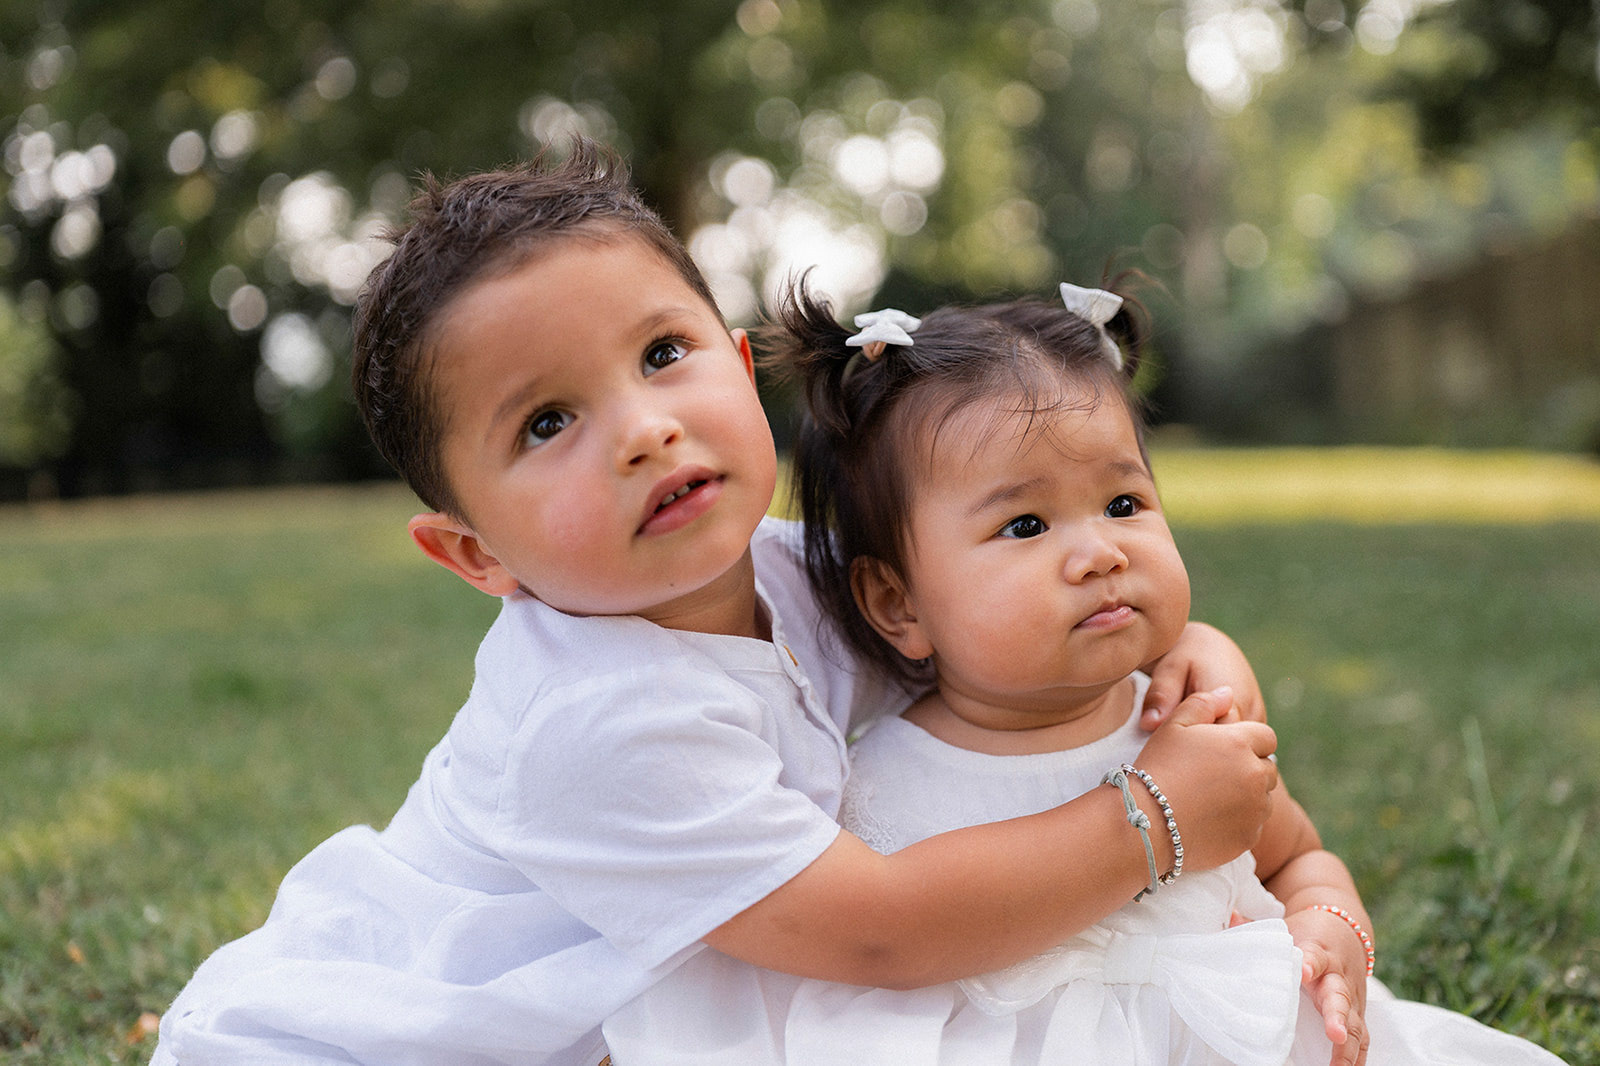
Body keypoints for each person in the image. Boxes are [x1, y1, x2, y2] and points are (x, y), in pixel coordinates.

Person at [152, 140, 1280, 1066]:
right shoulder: (598, 719)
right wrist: (1152, 815)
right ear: (474, 552)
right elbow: (881, 931)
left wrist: (1199, 656)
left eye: (661, 353)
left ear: (741, 367)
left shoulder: (793, 570)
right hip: (389, 1043)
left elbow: (996, 618)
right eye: (548, 422)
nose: (645, 429)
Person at [601, 281, 1570, 1065]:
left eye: (1122, 503)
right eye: (1025, 525)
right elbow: (839, 980)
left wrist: (1332, 926)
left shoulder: (1190, 724)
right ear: (898, 604)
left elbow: (1296, 858)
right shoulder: (877, 797)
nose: (1099, 552)